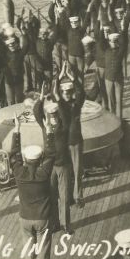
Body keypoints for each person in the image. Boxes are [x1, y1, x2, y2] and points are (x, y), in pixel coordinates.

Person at [10, 117, 54, 259]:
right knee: (43, 253)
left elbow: (14, 154)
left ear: (26, 160)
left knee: (29, 253)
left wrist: (17, 129)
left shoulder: (20, 173)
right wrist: (49, 131)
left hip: (25, 218)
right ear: (40, 159)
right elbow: (52, 154)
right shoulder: (44, 173)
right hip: (43, 218)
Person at [33, 95, 73, 235]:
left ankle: (66, 225)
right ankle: (55, 223)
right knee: (52, 197)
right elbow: (37, 112)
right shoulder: (45, 128)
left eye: (56, 115)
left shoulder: (64, 126)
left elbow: (66, 112)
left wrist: (58, 99)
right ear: (48, 117)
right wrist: (41, 98)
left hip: (63, 166)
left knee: (65, 197)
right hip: (50, 168)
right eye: (51, 115)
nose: (54, 118)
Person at [56, 62, 86, 207]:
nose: (67, 94)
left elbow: (82, 92)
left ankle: (78, 196)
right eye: (65, 92)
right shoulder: (61, 104)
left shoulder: (76, 104)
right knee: (67, 172)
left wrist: (73, 78)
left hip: (75, 141)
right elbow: (53, 92)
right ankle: (68, 197)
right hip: (65, 143)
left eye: (69, 92)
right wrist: (60, 76)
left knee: (78, 170)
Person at [104, 31, 127, 119]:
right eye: (111, 41)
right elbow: (100, 41)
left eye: (115, 41)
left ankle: (119, 120)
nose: (113, 43)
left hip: (118, 79)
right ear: (109, 42)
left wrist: (121, 30)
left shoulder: (120, 51)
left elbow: (124, 42)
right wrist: (104, 31)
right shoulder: (106, 50)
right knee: (111, 101)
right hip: (108, 78)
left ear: (117, 42)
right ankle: (112, 119)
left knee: (119, 101)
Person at [2, 33, 26, 106]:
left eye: (13, 44)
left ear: (16, 44)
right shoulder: (4, 54)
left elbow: (26, 44)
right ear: (7, 46)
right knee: (10, 101)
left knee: (19, 99)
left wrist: (22, 33)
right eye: (9, 45)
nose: (11, 46)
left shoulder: (20, 53)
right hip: (8, 81)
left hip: (18, 80)